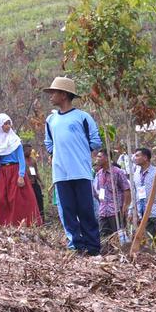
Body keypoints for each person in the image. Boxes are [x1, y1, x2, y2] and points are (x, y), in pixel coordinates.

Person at [43, 76, 102, 256]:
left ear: (64, 95)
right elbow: (48, 143)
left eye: (54, 92)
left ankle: (92, 247)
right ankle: (76, 245)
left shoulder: (82, 117)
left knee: (85, 209)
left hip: (81, 171)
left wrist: (81, 154)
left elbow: (95, 141)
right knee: (67, 211)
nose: (51, 95)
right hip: (60, 173)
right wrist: (58, 155)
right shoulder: (50, 120)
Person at [0, 114, 39, 226]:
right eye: (5, 124)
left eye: (9, 123)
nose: (7, 126)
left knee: (15, 199)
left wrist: (21, 175)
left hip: (15, 171)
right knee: (1, 199)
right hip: (2, 173)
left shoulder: (15, 141)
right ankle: (4, 224)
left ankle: (19, 223)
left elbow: (21, 160)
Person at [92, 151, 131, 242]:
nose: (97, 159)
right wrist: (101, 203)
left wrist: (125, 205)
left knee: (120, 235)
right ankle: (108, 254)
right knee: (103, 236)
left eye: (99, 157)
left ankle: (123, 253)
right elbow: (96, 191)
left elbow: (126, 189)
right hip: (103, 211)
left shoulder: (118, 172)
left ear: (107, 158)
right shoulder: (99, 174)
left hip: (116, 210)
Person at [23, 144, 44, 223]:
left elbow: (36, 172)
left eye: (30, 150)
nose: (29, 152)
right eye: (28, 150)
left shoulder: (32, 160)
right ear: (23, 150)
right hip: (26, 185)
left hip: (34, 183)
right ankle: (29, 219)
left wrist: (41, 182)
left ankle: (41, 218)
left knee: (39, 199)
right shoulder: (21, 160)